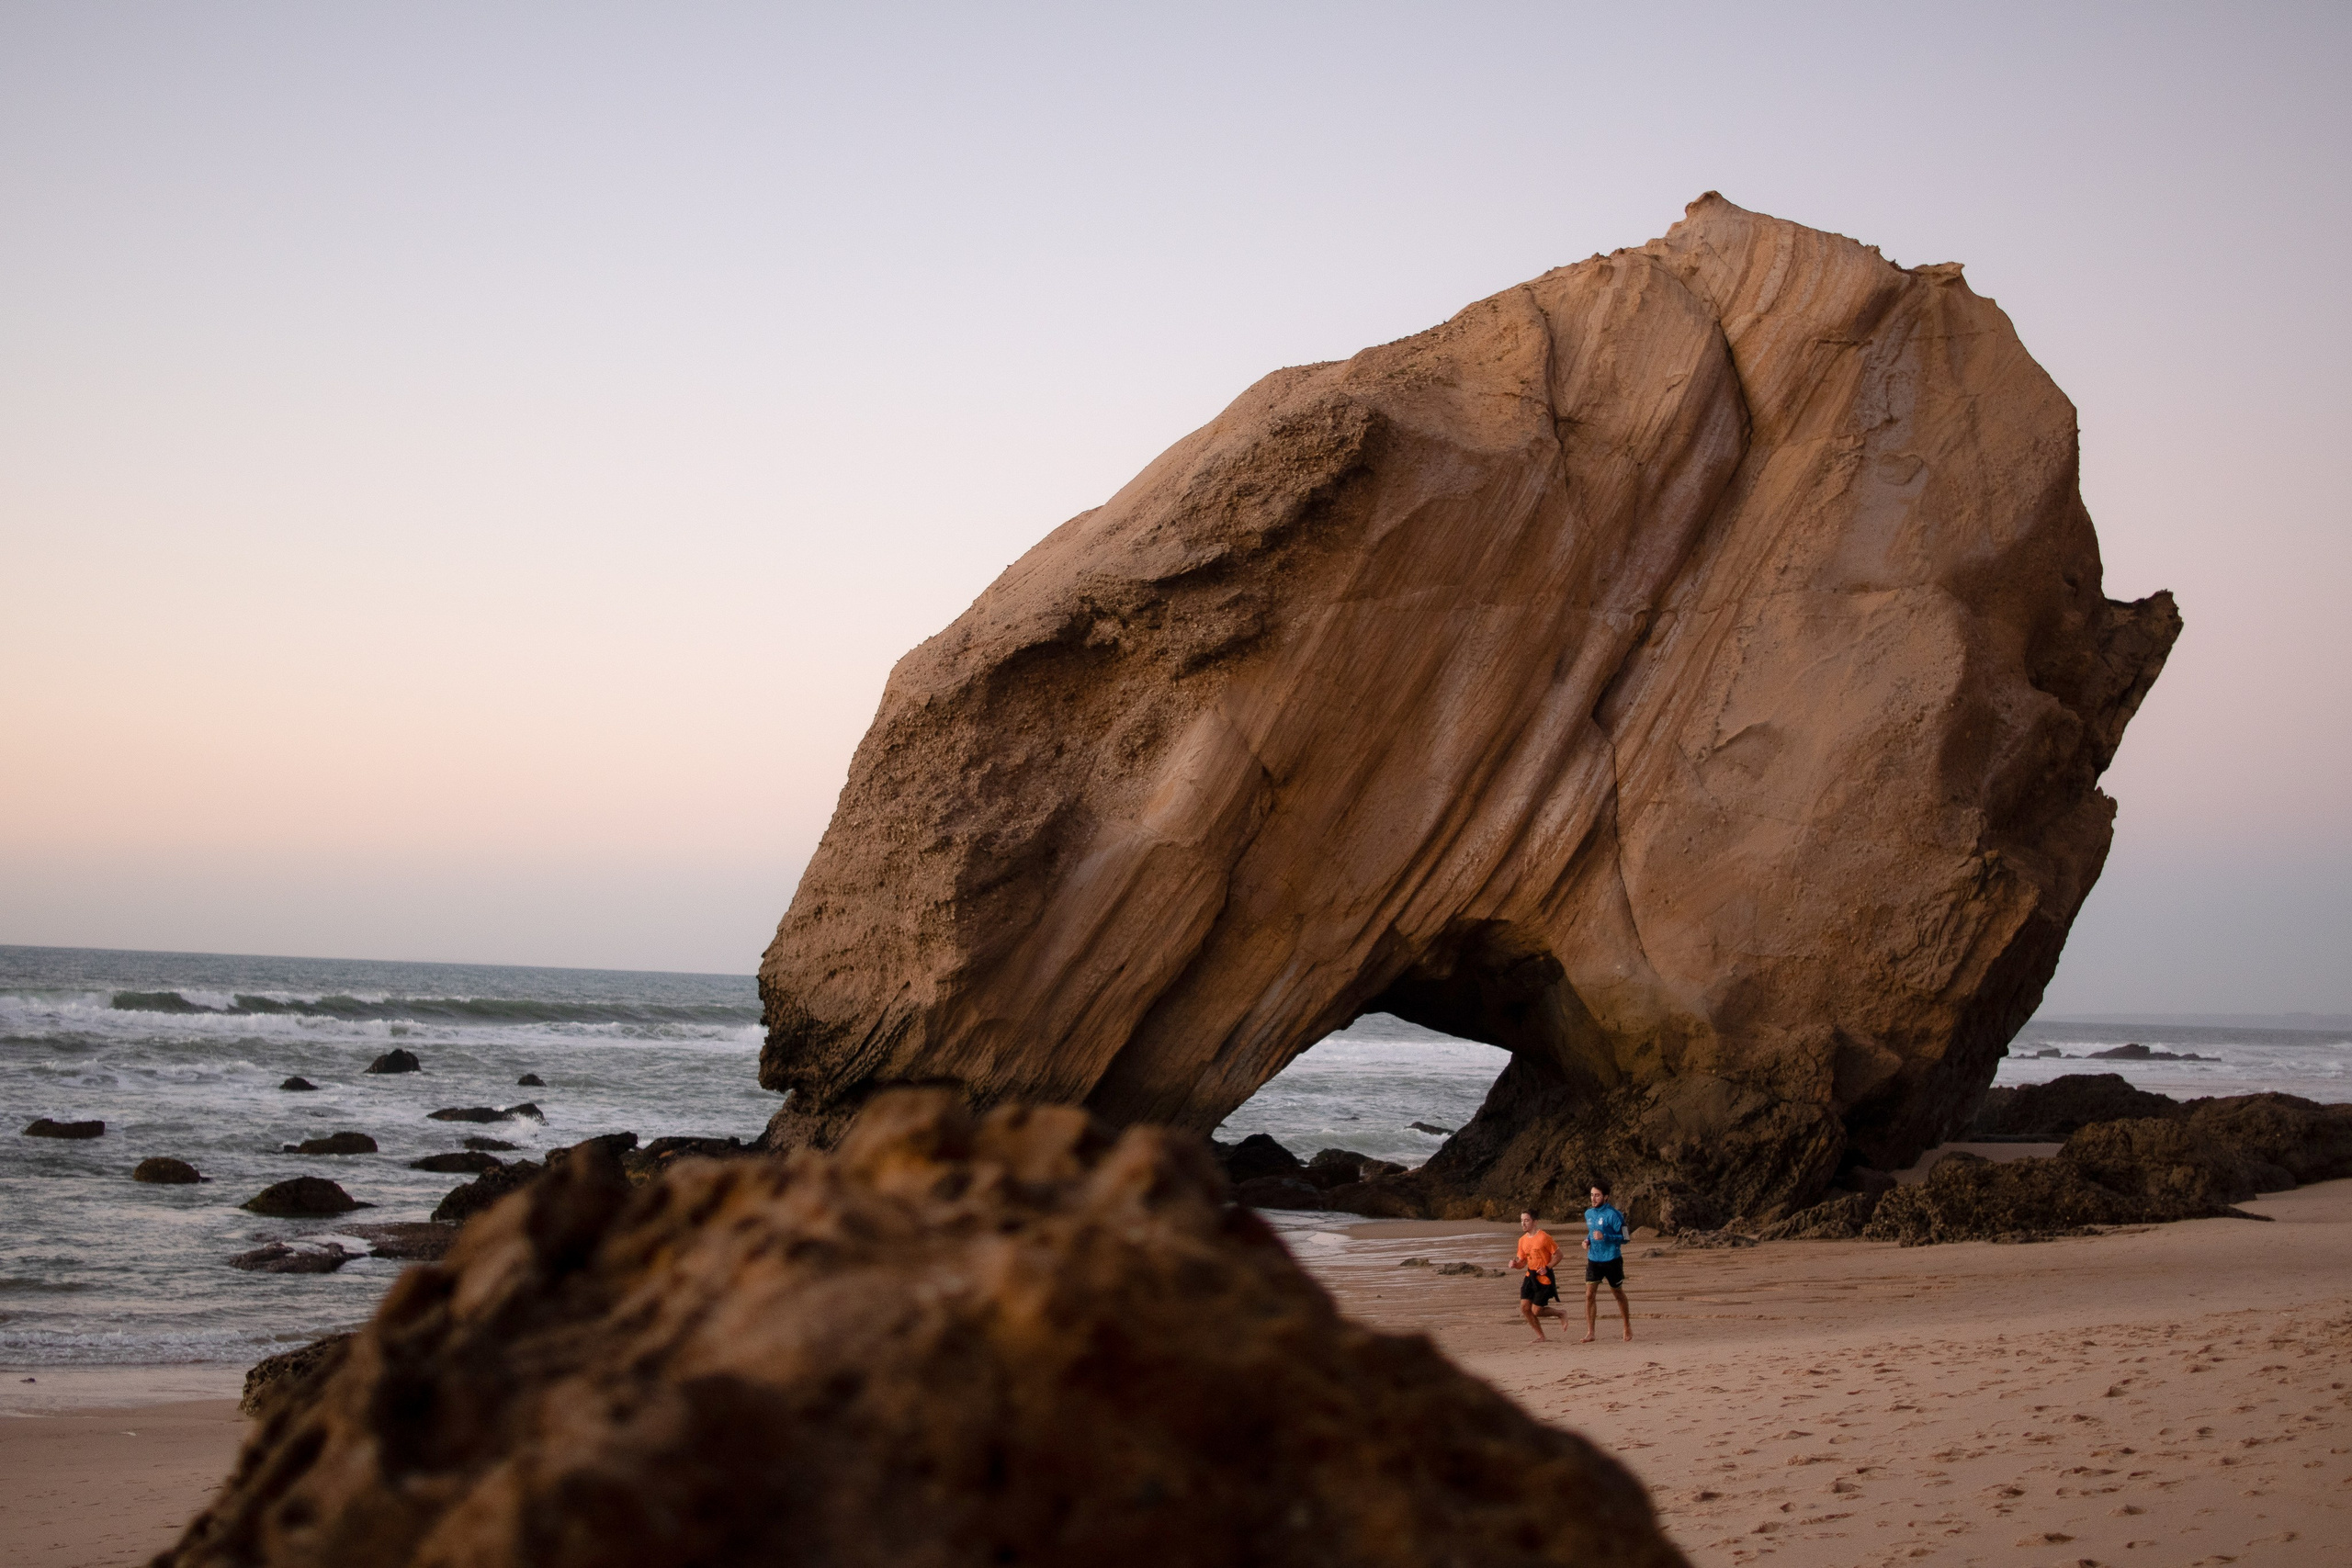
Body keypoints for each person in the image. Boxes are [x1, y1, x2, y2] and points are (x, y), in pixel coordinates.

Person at [1581, 1179, 1632, 1342]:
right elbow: (1592, 1232)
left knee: (1617, 1293)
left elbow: (1626, 1238)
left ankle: (1626, 1326)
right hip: (1594, 1259)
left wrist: (1606, 1237)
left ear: (1606, 1197)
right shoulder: (1588, 1213)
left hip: (1612, 1259)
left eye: (1597, 1195)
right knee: (1589, 1294)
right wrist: (1587, 1241)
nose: (1593, 1199)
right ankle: (1590, 1333)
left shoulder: (1615, 1215)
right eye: (1592, 1195)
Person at [1510, 1210, 1566, 1341]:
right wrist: (1514, 1264)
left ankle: (1561, 1313)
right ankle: (1541, 1336)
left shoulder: (1544, 1237)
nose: (1523, 1223)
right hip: (1530, 1276)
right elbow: (1522, 1262)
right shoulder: (1522, 1240)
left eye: (1526, 1220)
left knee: (1537, 1311)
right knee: (1524, 1308)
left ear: (1535, 1222)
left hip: (1544, 1277)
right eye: (1522, 1220)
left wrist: (1547, 1267)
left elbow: (1559, 1255)